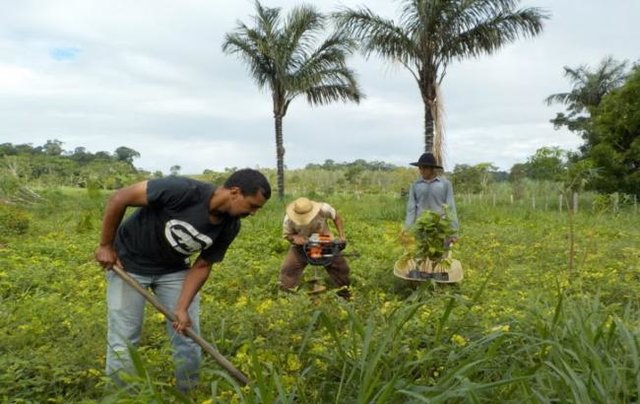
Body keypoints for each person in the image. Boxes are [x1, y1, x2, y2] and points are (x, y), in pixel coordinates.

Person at [94, 168, 271, 392]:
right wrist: (106, 246)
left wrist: (182, 307)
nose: (253, 213)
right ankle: (122, 397)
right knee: (124, 338)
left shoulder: (230, 225)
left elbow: (203, 264)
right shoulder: (182, 191)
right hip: (128, 264)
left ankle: (188, 394)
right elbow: (120, 197)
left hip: (173, 270)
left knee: (187, 334)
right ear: (235, 192)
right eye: (253, 205)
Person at [279, 197, 351, 299]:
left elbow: (337, 217)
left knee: (341, 267)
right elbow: (287, 235)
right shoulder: (288, 219)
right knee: (288, 269)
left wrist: (342, 236)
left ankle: (345, 294)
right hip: (302, 247)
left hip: (323, 241)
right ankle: (285, 298)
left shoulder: (324, 209)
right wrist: (295, 238)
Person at [404, 152, 459, 239]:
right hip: (421, 228)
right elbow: (411, 209)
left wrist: (454, 232)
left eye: (425, 168)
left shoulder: (445, 184)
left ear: (432, 168)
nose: (422, 170)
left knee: (440, 251)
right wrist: (407, 230)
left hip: (440, 227)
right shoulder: (415, 185)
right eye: (420, 168)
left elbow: (450, 208)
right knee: (421, 251)